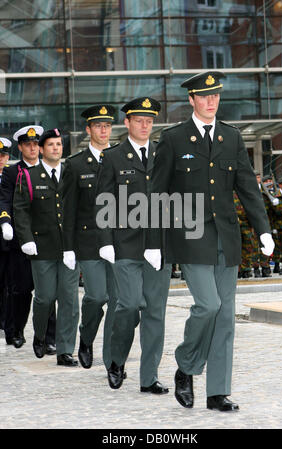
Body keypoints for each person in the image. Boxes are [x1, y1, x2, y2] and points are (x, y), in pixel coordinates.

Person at [146, 72, 274, 411]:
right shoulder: (173, 139)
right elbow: (156, 193)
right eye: (204, 96)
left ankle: (217, 391)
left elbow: (247, 186)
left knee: (226, 316)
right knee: (209, 305)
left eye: (215, 94)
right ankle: (186, 364)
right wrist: (153, 242)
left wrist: (263, 229)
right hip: (190, 238)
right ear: (191, 100)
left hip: (226, 239)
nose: (211, 100)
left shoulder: (231, 137)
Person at [96, 97, 172, 394]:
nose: (144, 125)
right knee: (127, 305)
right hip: (125, 245)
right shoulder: (113, 157)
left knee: (155, 311)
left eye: (149, 121)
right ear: (126, 123)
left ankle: (149, 377)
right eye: (139, 120)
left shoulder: (164, 154)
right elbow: (102, 202)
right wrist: (105, 242)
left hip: (159, 246)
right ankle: (116, 360)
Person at [13, 128, 79, 366]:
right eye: (51, 144)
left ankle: (65, 350)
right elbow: (20, 210)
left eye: (59, 144)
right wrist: (26, 239)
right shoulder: (29, 176)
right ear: (41, 149)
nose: (56, 148)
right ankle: (40, 335)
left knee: (70, 299)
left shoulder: (71, 173)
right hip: (42, 248)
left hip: (69, 248)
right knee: (45, 298)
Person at [62, 104, 118, 369]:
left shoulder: (122, 159)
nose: (103, 130)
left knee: (122, 302)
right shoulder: (74, 165)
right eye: (98, 125)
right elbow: (68, 210)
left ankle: (112, 359)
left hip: (120, 242)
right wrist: (68, 248)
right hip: (89, 242)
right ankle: (86, 337)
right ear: (88, 130)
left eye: (107, 125)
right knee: (97, 296)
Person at [0, 126, 56, 352]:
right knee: (20, 291)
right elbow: (5, 200)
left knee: (48, 292)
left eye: (35, 144)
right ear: (21, 148)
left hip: (48, 241)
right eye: (27, 144)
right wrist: (5, 222)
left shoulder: (50, 169)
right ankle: (15, 331)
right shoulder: (12, 173)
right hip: (20, 242)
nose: (32, 147)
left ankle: (49, 338)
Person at [0, 138, 11, 334]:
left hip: (9, 239)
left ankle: (6, 322)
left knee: (10, 284)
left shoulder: (12, 177)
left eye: (2, 156)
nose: (0, 159)